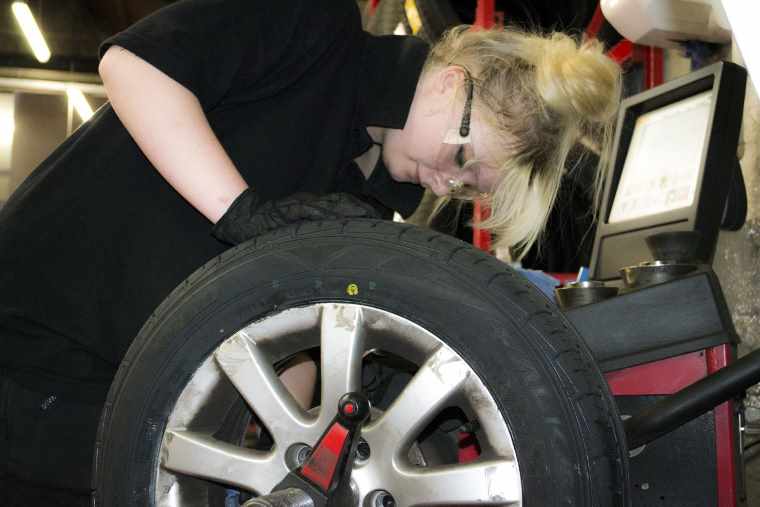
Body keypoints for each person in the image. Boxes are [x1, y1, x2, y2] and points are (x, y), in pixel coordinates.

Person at [0, 0, 621, 505]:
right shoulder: (314, 22)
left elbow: (279, 336)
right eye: (462, 160)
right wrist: (241, 212)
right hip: (31, 344)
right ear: (451, 85)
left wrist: (321, 416)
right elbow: (135, 66)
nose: (444, 184)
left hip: (114, 399)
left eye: (464, 186)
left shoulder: (364, 201)